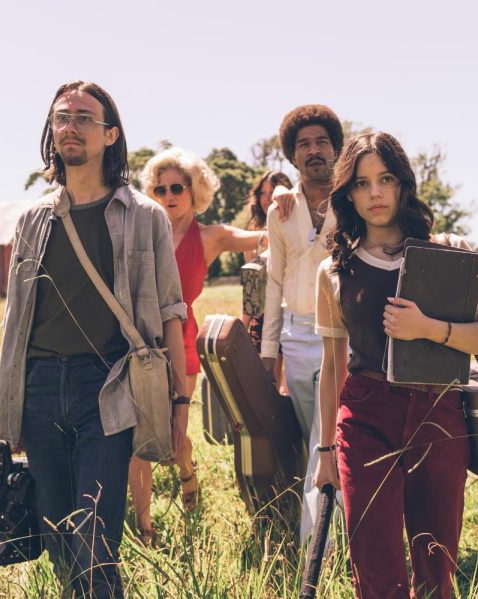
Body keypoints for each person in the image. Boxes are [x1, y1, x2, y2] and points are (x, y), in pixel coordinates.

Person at [0, 80, 189, 598]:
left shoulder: (144, 217)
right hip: (40, 387)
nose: (70, 126)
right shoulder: (32, 220)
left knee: (95, 536)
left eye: (83, 117)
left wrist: (179, 399)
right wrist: (9, 411)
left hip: (109, 385)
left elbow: (171, 310)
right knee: (56, 537)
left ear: (110, 135)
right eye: (61, 117)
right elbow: (16, 323)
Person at [313, 132, 478, 599]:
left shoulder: (447, 253)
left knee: (435, 573)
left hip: (437, 413)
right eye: (361, 184)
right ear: (347, 193)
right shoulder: (333, 270)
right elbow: (333, 368)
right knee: (376, 575)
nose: (375, 194)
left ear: (403, 185)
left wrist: (427, 328)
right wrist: (324, 454)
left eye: (385, 179)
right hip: (365, 418)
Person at [131, 147, 265, 543]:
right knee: (138, 440)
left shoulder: (210, 237)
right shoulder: (140, 235)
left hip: (182, 343)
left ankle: (187, 472)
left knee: (173, 440)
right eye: (159, 189)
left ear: (194, 192)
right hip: (138, 342)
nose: (168, 195)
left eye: (177, 187)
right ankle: (145, 527)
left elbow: (268, 238)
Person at [261, 104, 345, 542]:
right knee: (316, 442)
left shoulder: (354, 201)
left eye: (321, 143)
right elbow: (273, 282)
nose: (314, 152)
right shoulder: (282, 209)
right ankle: (333, 536)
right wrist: (269, 355)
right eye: (304, 145)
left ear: (336, 149)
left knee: (327, 443)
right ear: (292, 156)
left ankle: (318, 552)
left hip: (342, 338)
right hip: (294, 339)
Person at [242, 171, 293, 391]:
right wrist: (241, 324)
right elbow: (250, 286)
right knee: (264, 380)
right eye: (262, 192)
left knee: (289, 383)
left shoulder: (292, 228)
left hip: (289, 308)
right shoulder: (251, 236)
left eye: (272, 192)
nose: (266, 198)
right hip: (261, 314)